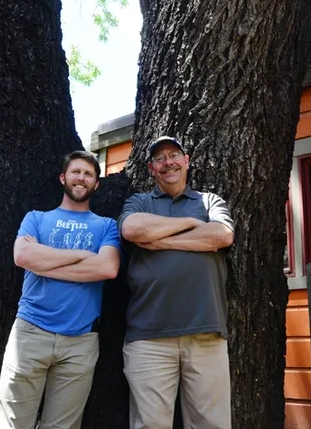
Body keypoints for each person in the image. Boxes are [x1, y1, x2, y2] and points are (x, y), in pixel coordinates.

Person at [0, 150, 122, 429]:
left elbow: (107, 268)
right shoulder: (36, 218)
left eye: (89, 174)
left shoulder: (107, 225)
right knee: (11, 424)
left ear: (96, 184)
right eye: (76, 171)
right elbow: (23, 257)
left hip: (80, 342)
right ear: (63, 177)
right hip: (30, 332)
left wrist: (45, 263)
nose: (81, 177)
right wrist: (83, 254)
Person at [119, 136, 235, 429]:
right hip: (148, 337)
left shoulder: (209, 201)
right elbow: (132, 228)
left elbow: (221, 236)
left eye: (174, 155)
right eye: (159, 158)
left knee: (211, 424)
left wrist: (159, 239)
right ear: (151, 168)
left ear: (187, 160)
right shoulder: (140, 202)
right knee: (150, 425)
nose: (167, 162)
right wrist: (193, 224)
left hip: (206, 332)